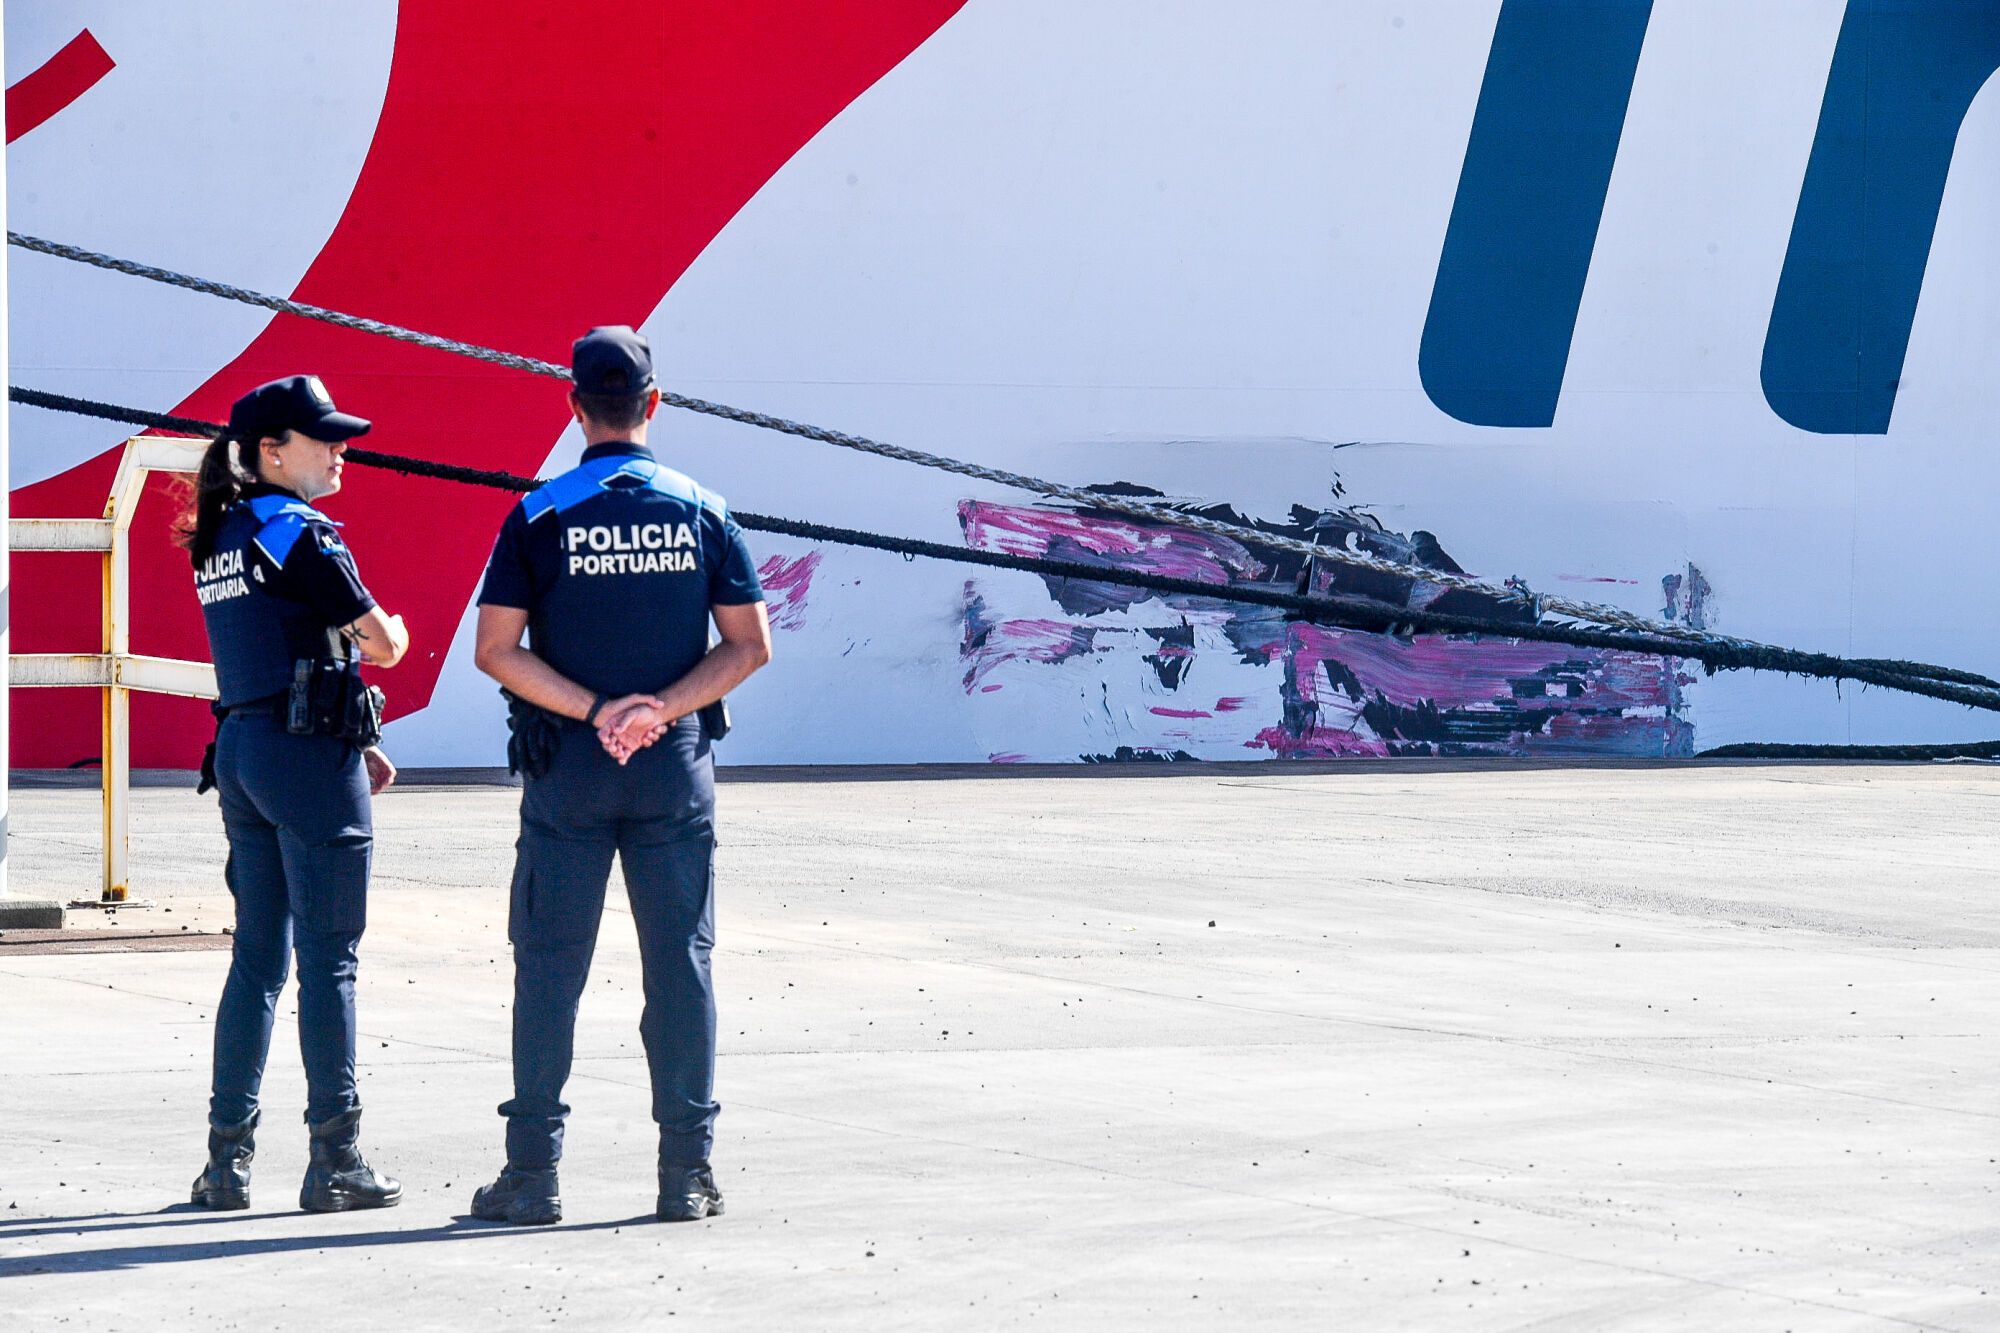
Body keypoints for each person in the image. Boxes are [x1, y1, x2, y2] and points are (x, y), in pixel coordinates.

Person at [469, 326, 771, 1226]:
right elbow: (749, 645)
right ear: (655, 403)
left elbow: (497, 651)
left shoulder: (539, 514)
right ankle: (687, 1173)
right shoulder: (703, 510)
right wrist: (658, 712)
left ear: (572, 409)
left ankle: (532, 1175)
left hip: (568, 772)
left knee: (549, 969)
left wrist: (596, 711)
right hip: (673, 772)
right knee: (680, 968)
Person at [184, 375, 409, 1213]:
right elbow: (382, 644)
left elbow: (278, 647)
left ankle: (225, 1163)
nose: (341, 448)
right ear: (272, 451)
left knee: (257, 962)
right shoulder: (302, 533)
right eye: (326, 438)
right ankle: (335, 1160)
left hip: (243, 750)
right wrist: (398, 641)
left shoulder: (223, 534)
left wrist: (359, 737)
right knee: (330, 961)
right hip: (306, 759)